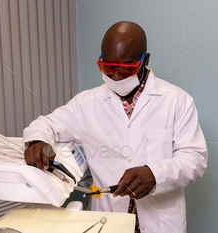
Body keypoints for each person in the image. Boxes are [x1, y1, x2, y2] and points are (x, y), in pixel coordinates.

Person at [23, 21, 208, 233]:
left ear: (144, 60)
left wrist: (155, 174)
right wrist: (37, 140)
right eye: (108, 67)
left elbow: (195, 158)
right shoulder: (86, 103)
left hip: (161, 222)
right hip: (108, 217)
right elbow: (46, 124)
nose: (117, 76)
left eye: (126, 69)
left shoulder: (177, 101)